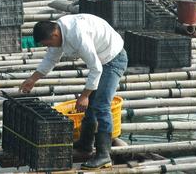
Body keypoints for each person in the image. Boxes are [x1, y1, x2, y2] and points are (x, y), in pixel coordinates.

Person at [19, 14, 127, 170]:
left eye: (48, 43)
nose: (50, 46)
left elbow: (96, 68)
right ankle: (85, 145)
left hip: (113, 59)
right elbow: (50, 59)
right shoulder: (58, 33)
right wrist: (32, 79)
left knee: (101, 106)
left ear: (55, 35)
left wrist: (84, 96)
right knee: (91, 107)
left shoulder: (77, 35)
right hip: (100, 60)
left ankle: (104, 155)